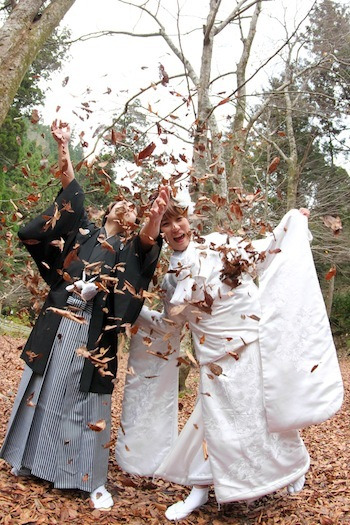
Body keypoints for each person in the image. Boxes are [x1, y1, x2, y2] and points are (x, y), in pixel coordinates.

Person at [115, 195, 344, 521]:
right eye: (165, 223)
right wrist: (136, 314)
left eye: (177, 219)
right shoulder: (170, 279)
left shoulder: (221, 246)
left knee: (263, 415)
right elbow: (169, 324)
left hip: (249, 350)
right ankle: (200, 487)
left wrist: (291, 224)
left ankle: (290, 467)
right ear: (161, 232)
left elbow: (263, 251)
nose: (174, 227)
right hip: (213, 362)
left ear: (188, 218)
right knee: (216, 425)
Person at [0, 121, 170, 510]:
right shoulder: (83, 236)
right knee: (44, 390)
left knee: (86, 403)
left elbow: (146, 247)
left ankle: (89, 478)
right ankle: (28, 460)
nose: (128, 207)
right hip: (61, 321)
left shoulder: (127, 248)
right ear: (109, 210)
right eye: (122, 203)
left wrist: (155, 217)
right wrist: (64, 148)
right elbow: (70, 198)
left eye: (134, 207)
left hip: (93, 335)